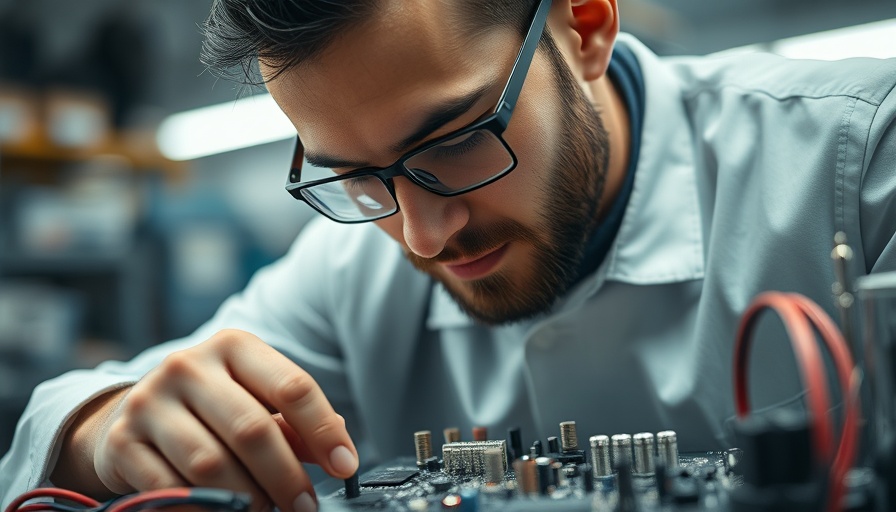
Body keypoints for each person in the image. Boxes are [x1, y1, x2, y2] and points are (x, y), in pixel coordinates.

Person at [2, 0, 895, 511]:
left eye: (456, 140)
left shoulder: (861, 163)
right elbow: (63, 418)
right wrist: (106, 428)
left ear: (583, 27)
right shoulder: (351, 271)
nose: (423, 237)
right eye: (356, 177)